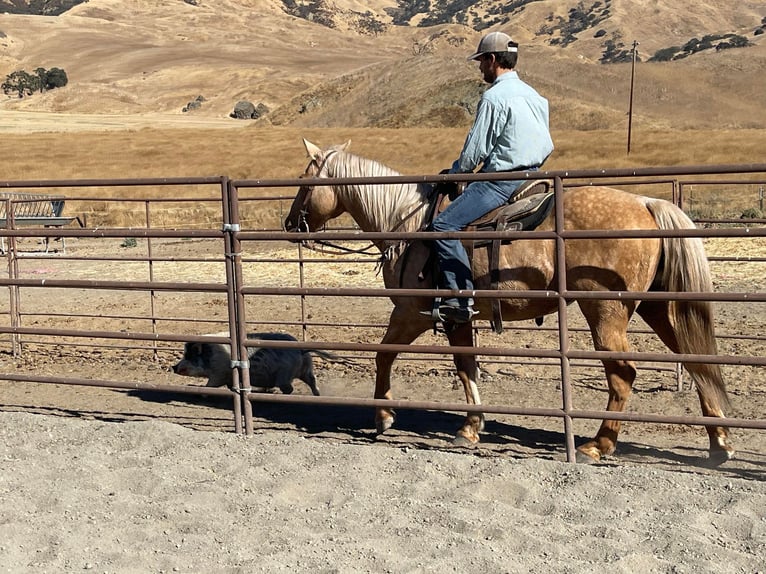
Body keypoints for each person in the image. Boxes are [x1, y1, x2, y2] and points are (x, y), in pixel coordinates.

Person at [428, 31, 554, 324]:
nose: (480, 67)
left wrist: (457, 173)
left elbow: (476, 150)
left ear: (492, 60)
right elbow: (544, 141)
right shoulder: (535, 96)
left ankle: (460, 299)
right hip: (533, 175)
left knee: (443, 226)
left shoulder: (494, 97)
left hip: (500, 181)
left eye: (482, 61)